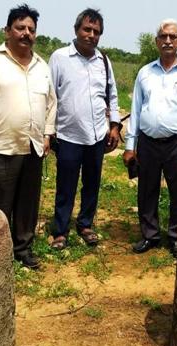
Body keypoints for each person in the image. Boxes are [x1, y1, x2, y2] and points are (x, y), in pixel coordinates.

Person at [0, 4, 56, 269]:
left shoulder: (42, 66)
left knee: (28, 203)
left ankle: (23, 249)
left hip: (32, 147)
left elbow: (52, 103)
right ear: (7, 31)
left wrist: (48, 134)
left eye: (31, 29)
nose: (26, 33)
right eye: (20, 28)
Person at [123, 19, 177, 258]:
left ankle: (176, 237)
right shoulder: (145, 72)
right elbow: (136, 110)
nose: (167, 41)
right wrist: (130, 145)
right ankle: (150, 235)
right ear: (157, 41)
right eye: (163, 37)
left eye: (172, 37)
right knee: (147, 190)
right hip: (148, 142)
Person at [48, 8, 121, 250]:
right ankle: (60, 230)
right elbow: (50, 97)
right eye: (87, 29)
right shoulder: (59, 58)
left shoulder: (104, 61)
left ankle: (85, 224)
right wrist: (49, 131)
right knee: (65, 185)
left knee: (92, 182)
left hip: (97, 135)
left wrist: (114, 126)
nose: (91, 35)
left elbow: (112, 95)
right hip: (68, 134)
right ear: (76, 30)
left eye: (96, 31)